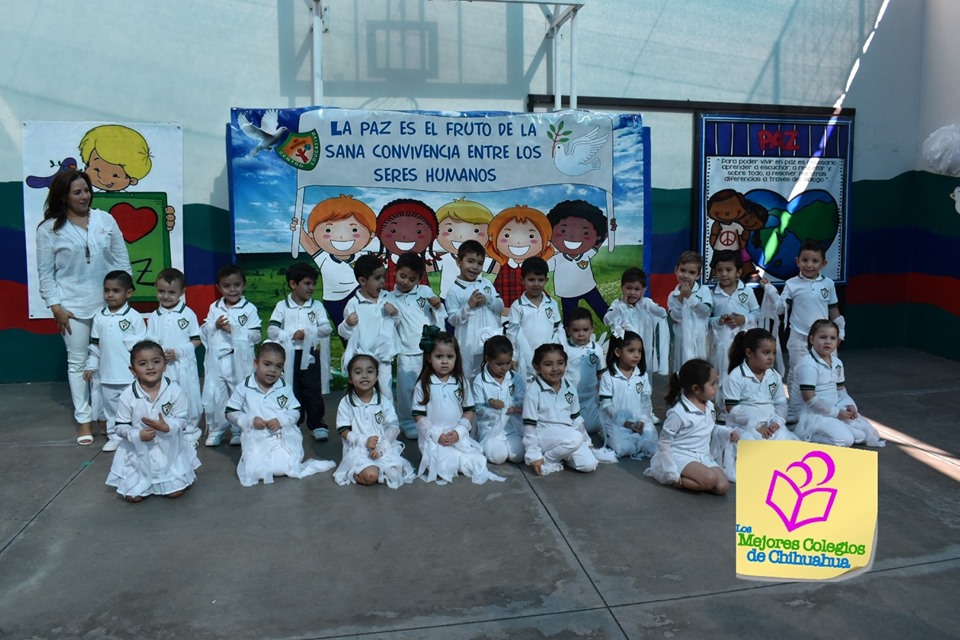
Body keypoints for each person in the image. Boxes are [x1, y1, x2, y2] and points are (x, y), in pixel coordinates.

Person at [35, 169, 131, 445]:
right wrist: (56, 307)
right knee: (78, 363)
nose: (84, 196)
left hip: (108, 304)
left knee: (112, 359)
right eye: (77, 192)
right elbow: (45, 273)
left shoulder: (105, 220)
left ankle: (114, 417)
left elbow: (121, 258)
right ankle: (84, 420)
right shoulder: (49, 229)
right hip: (72, 307)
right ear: (63, 197)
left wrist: (123, 294)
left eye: (87, 190)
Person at [226, 342, 335, 487]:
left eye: (278, 366)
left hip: (281, 438)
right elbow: (230, 412)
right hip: (256, 439)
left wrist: (281, 421)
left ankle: (283, 458)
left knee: (283, 468)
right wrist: (249, 420)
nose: (272, 370)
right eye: (267, 364)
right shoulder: (244, 387)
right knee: (256, 472)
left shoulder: (284, 388)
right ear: (255, 363)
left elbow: (295, 411)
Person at [105, 340, 201, 502]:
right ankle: (141, 480)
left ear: (164, 365)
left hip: (169, 448)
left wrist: (167, 426)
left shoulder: (174, 390)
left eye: (156, 362)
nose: (150, 367)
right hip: (139, 450)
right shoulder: (127, 395)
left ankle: (170, 479)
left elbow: (183, 419)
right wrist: (136, 434)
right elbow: (120, 426)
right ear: (132, 370)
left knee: (175, 492)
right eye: (143, 364)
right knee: (133, 495)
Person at [412, 327, 504, 485]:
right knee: (442, 467)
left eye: (450, 356)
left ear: (456, 358)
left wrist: (458, 432)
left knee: (477, 461)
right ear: (429, 358)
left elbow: (469, 411)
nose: (444, 361)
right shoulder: (423, 384)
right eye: (439, 356)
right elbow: (418, 416)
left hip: (456, 437)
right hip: (433, 439)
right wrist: (436, 434)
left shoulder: (461, 382)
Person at [768, 240, 845, 422]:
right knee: (796, 372)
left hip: (824, 338)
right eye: (805, 260)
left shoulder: (828, 284)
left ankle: (827, 407)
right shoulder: (791, 284)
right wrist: (771, 291)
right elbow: (780, 309)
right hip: (799, 337)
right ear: (797, 261)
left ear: (823, 263)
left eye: (814, 261)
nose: (809, 265)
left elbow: (834, 310)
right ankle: (794, 411)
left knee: (827, 372)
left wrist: (840, 332)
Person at [713, 328, 798, 482]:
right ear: (749, 353)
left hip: (769, 424)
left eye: (773, 353)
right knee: (755, 448)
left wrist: (777, 422)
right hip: (745, 427)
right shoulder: (736, 377)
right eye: (766, 353)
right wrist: (756, 425)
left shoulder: (774, 376)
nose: (771, 358)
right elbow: (732, 408)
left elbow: (780, 403)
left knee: (787, 449)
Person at [644, 359, 737, 494]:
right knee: (710, 480)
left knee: (722, 486)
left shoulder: (709, 406)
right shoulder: (679, 412)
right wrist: (671, 471)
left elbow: (710, 428)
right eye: (712, 384)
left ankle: (700, 479)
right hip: (681, 455)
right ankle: (674, 478)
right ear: (696, 389)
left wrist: (727, 432)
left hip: (703, 456)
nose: (717, 387)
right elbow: (664, 441)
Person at [267, 262, 333, 442]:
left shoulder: (316, 306)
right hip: (288, 357)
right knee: (291, 389)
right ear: (293, 284)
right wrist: (291, 335)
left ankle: (317, 424)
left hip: (310, 355)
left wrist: (309, 334)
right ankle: (293, 424)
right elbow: (272, 331)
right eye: (307, 283)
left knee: (312, 390)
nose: (311, 288)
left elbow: (326, 328)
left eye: (313, 284)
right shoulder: (282, 306)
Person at [383, 252, 446, 439]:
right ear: (395, 272)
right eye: (402, 276)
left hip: (428, 351)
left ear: (419, 279)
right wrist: (393, 314)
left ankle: (429, 419)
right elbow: (388, 326)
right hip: (405, 351)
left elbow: (441, 316)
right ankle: (407, 421)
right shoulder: (389, 298)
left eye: (412, 279)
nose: (405, 282)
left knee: (429, 385)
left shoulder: (425, 292)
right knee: (406, 389)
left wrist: (437, 306)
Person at [794, 319, 884, 448]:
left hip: (836, 409)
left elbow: (840, 389)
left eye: (832, 338)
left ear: (837, 341)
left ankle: (838, 429)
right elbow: (809, 398)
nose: (828, 342)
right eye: (823, 337)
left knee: (862, 435)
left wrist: (848, 405)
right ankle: (808, 435)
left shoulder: (837, 363)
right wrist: (836, 413)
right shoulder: (808, 364)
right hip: (816, 414)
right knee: (845, 441)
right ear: (812, 339)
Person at [83, 271, 147, 452]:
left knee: (134, 407)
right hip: (107, 375)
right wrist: (91, 366)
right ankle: (114, 436)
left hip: (129, 376)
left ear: (129, 293)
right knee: (111, 409)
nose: (110, 295)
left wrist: (140, 370)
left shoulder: (134, 317)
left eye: (116, 291)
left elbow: (142, 349)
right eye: (106, 290)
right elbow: (95, 346)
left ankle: (135, 434)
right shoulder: (99, 317)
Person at [334, 354, 416, 488]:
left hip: (382, 447)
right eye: (358, 372)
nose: (364, 376)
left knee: (399, 471)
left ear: (377, 376)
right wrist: (363, 441)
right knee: (370, 476)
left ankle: (381, 472)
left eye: (370, 371)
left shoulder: (383, 401)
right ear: (350, 379)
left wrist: (381, 448)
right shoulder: (346, 402)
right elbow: (342, 429)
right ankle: (357, 472)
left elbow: (394, 427)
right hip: (359, 449)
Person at [201, 264, 261, 447]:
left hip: (239, 361)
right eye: (227, 286)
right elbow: (203, 330)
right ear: (219, 288)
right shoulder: (215, 307)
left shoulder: (249, 308)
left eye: (237, 285)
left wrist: (234, 330)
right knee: (217, 395)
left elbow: (256, 335)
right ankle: (217, 429)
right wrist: (214, 326)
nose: (232, 290)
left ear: (244, 285)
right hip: (217, 360)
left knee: (238, 394)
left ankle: (238, 429)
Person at [522, 343, 599, 476]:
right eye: (548, 364)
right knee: (575, 438)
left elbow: (576, 418)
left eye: (560, 363)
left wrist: (587, 441)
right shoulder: (533, 392)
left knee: (589, 464)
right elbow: (529, 428)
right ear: (537, 367)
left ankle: (561, 455)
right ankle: (548, 459)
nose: (555, 369)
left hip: (567, 435)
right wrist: (534, 455)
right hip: (544, 434)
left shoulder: (570, 388)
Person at [145, 268, 202, 445]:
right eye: (161, 291)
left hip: (184, 366)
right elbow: (150, 339)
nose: (166, 296)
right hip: (164, 368)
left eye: (171, 292)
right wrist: (158, 354)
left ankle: (191, 432)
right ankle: (168, 428)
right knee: (166, 396)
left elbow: (196, 340)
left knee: (188, 395)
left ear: (182, 292)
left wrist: (178, 352)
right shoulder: (154, 316)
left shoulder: (188, 314)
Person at [338, 254, 398, 403]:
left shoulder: (388, 298)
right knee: (363, 393)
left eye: (383, 277)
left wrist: (395, 313)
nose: (382, 282)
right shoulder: (353, 304)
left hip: (384, 358)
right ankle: (362, 421)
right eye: (377, 278)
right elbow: (344, 333)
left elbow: (396, 324)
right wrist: (347, 323)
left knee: (386, 392)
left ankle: (389, 424)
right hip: (363, 359)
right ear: (363, 281)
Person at [708, 250, 760, 415]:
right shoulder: (712, 294)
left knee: (742, 372)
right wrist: (718, 320)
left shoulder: (747, 292)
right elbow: (706, 320)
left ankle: (744, 406)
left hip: (743, 344)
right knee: (722, 373)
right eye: (719, 270)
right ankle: (722, 408)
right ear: (714, 272)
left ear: (738, 272)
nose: (724, 274)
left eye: (729, 270)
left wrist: (744, 319)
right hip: (721, 344)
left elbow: (758, 314)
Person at [444, 240, 505, 379]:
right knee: (468, 374)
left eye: (479, 263)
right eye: (470, 261)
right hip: (468, 341)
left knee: (491, 371)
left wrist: (487, 299)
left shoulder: (486, 283)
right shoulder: (454, 291)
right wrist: (468, 306)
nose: (475, 267)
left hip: (490, 336)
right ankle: (469, 400)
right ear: (459, 262)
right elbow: (452, 320)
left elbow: (500, 306)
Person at [546, 199, 610, 319]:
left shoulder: (586, 254)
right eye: (563, 230)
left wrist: (609, 230)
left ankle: (617, 332)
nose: (573, 236)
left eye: (585, 232)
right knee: (570, 319)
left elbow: (597, 245)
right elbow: (542, 267)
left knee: (603, 310)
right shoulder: (556, 259)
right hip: (567, 293)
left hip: (588, 287)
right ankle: (569, 336)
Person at [598, 330, 657, 459]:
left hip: (637, 419)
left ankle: (637, 439)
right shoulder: (609, 377)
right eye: (631, 351)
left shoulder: (642, 376)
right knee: (625, 448)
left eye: (639, 351)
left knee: (651, 447)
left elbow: (646, 402)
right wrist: (626, 423)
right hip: (616, 421)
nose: (636, 355)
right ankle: (608, 434)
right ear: (618, 352)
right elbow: (606, 405)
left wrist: (642, 420)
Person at [603, 267, 670, 375]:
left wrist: (646, 304)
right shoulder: (617, 304)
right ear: (622, 288)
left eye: (637, 289)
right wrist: (621, 306)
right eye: (628, 288)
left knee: (642, 380)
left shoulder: (646, 304)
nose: (632, 293)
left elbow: (662, 313)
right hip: (623, 354)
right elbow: (607, 320)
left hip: (642, 352)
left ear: (644, 290)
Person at [486, 205, 554, 310]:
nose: (518, 242)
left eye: (531, 236)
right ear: (493, 237)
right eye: (507, 235)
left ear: (547, 241)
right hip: (507, 304)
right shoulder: (502, 265)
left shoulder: (537, 265)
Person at [506, 257, 562, 382]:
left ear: (546, 280)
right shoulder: (518, 306)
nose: (536, 284)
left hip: (548, 361)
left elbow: (557, 331)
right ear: (522, 280)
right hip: (525, 361)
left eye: (540, 280)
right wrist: (513, 357)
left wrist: (558, 353)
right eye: (531, 280)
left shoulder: (552, 304)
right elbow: (512, 334)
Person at [472, 335, 525, 464]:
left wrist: (504, 406)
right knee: (498, 457)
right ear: (488, 360)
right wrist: (492, 408)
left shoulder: (515, 378)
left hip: (512, 427)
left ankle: (508, 443)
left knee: (518, 456)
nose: (504, 368)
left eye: (508, 363)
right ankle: (490, 444)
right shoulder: (480, 380)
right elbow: (477, 408)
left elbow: (522, 401)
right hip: (490, 427)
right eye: (499, 364)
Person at [434, 197, 495, 301]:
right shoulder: (444, 258)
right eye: (450, 229)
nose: (462, 236)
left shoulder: (481, 260)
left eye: (476, 230)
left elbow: (496, 265)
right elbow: (429, 268)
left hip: (473, 298)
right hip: (445, 297)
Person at [561, 307, 605, 434]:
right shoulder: (564, 349)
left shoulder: (596, 350)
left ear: (592, 329)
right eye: (576, 330)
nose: (581, 334)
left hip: (589, 399)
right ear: (568, 330)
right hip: (567, 398)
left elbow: (600, 374)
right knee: (567, 428)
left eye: (585, 330)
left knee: (590, 427)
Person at [668, 251, 713, 372]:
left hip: (701, 341)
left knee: (701, 371)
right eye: (683, 270)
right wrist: (681, 298)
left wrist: (691, 298)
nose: (686, 275)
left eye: (692, 272)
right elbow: (675, 317)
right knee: (682, 371)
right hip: (681, 340)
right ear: (676, 270)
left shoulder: (704, 290)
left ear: (698, 275)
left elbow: (706, 311)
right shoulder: (673, 295)